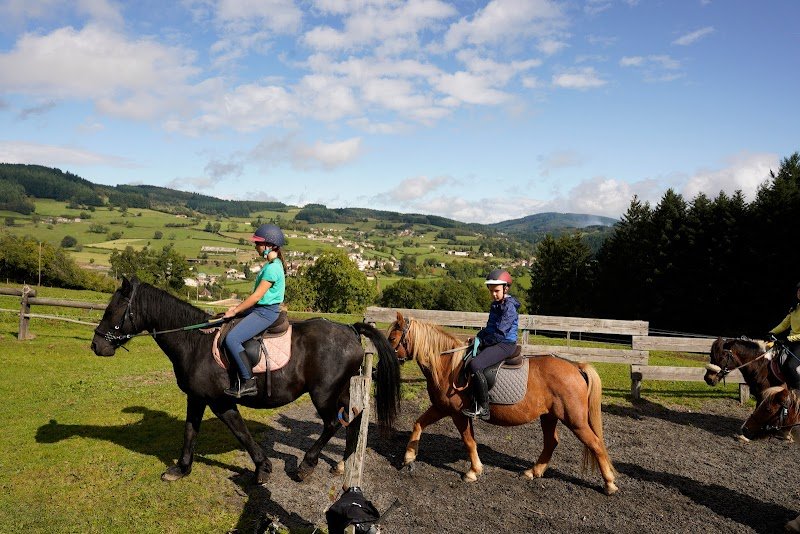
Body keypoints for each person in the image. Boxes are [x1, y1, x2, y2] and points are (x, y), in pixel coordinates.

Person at [222, 223, 286, 397]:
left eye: (258, 243)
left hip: (265, 312)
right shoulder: (272, 264)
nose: (255, 246)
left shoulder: (272, 269)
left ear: (269, 245)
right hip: (260, 309)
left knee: (232, 339)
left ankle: (248, 381)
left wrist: (235, 310)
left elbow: (256, 297)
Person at [462, 268, 521, 420]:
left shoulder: (509, 307)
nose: (493, 294)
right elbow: (489, 328)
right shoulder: (496, 305)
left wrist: (483, 342)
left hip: (505, 344)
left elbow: (500, 333)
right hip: (495, 340)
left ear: (505, 288)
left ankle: (484, 408)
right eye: (491, 291)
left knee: (475, 365)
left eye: (496, 291)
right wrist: (478, 337)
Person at [768, 281, 800, 390]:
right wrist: (772, 332)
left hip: (798, 343)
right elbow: (784, 324)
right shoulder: (795, 308)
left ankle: (797, 391)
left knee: (790, 366)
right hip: (791, 341)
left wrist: (789, 339)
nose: (799, 292)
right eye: (799, 290)